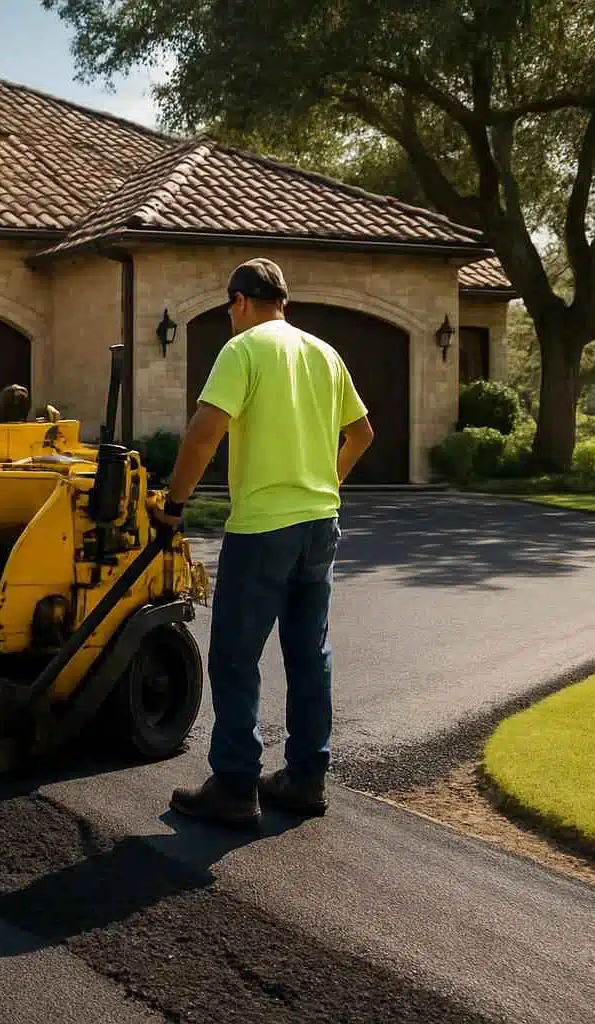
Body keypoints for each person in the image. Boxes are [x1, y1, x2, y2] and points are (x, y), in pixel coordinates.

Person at [152, 257, 375, 826]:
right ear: (284, 302)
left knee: (234, 656)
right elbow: (362, 433)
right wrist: (325, 479)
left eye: (230, 308)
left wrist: (173, 508)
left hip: (263, 530)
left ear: (240, 302)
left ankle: (233, 784)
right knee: (309, 655)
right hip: (320, 524)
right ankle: (305, 779)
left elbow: (205, 431)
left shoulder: (244, 349)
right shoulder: (324, 354)